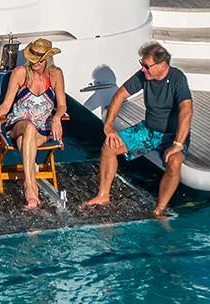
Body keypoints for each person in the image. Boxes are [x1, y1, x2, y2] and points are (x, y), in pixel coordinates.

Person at [83, 41, 193, 217]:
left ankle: (159, 209)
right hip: (148, 130)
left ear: (162, 65)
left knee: (174, 162)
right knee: (109, 146)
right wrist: (109, 125)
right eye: (142, 64)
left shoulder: (177, 78)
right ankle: (103, 195)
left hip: (173, 135)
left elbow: (186, 110)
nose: (143, 69)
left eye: (146, 66)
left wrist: (178, 144)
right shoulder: (143, 76)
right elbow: (120, 95)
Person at [0, 37, 68, 209]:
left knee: (25, 141)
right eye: (32, 58)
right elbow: (6, 105)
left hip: (43, 127)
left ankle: (30, 186)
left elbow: (62, 105)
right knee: (29, 128)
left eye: (39, 59)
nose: (34, 62)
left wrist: (57, 118)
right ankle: (30, 187)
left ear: (47, 59)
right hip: (19, 123)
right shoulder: (20, 73)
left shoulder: (55, 74)